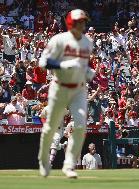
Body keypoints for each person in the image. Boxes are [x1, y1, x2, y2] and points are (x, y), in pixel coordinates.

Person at [37, 9, 96, 179]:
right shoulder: (59, 40)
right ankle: (43, 160)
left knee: (80, 126)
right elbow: (43, 62)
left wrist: (87, 71)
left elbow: (82, 65)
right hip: (59, 87)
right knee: (50, 127)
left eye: (84, 21)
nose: (83, 25)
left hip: (78, 88)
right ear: (71, 23)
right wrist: (64, 65)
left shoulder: (87, 42)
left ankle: (69, 164)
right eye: (80, 22)